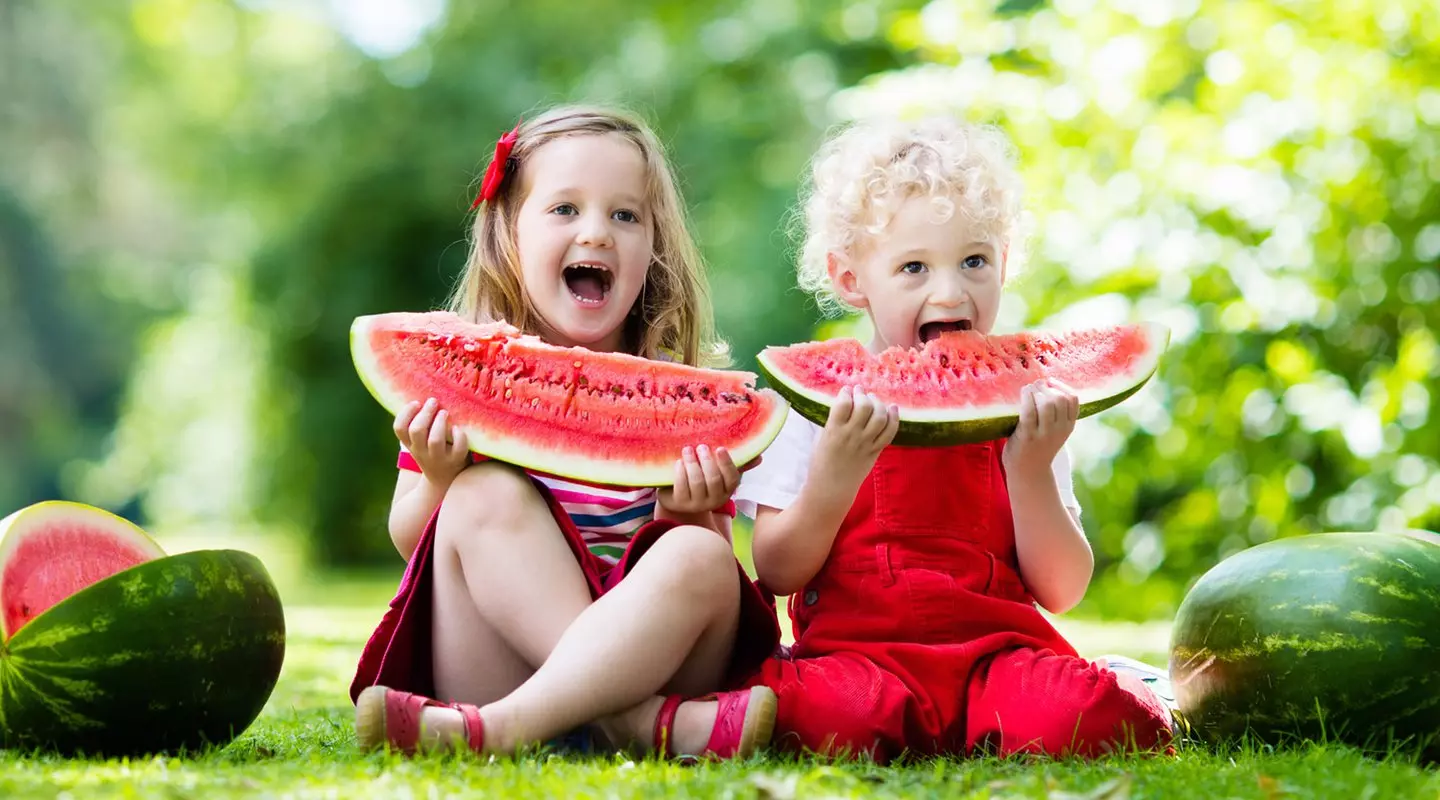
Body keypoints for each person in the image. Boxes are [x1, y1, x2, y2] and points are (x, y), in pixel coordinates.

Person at [735, 114, 1175, 761]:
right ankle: (923, 727)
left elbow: (1062, 587)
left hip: (997, 663)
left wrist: (1029, 469)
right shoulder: (812, 407)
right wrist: (834, 477)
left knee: (1093, 716)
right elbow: (775, 570)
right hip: (861, 664)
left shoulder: (1027, 404)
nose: (951, 290)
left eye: (975, 260)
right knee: (827, 716)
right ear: (851, 278)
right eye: (913, 267)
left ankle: (1126, 687)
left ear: (1005, 262)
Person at [350, 105, 780, 759]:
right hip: (501, 667)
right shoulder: (463, 382)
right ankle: (632, 723)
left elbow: (710, 570)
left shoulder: (681, 396)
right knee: (479, 496)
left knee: (701, 557)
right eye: (565, 209)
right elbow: (415, 542)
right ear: (508, 235)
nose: (598, 233)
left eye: (625, 215)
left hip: (650, 660)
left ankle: (505, 732)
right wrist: (439, 477)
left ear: (654, 245)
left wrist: (687, 512)